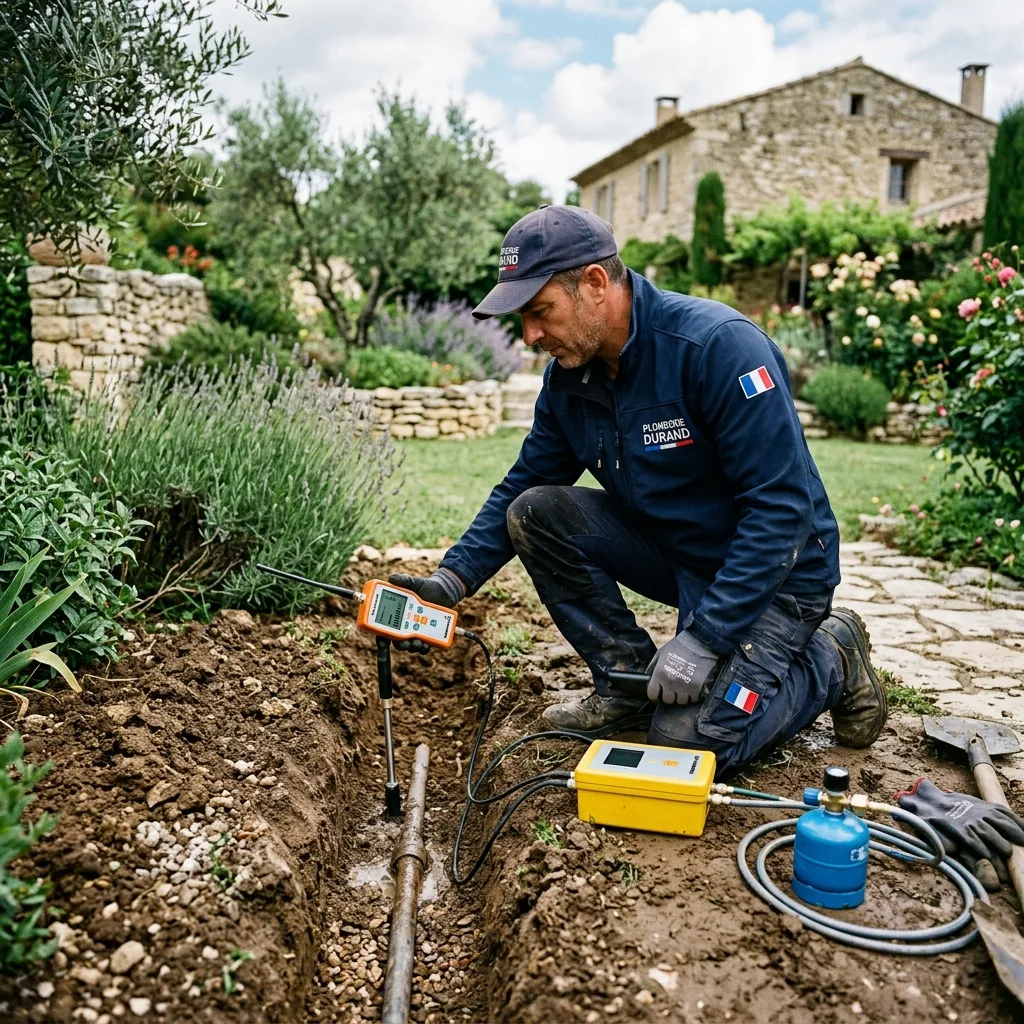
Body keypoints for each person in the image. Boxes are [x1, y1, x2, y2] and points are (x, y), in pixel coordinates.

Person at [391, 204, 886, 775]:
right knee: (536, 511)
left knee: (687, 744)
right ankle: (625, 682)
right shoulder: (570, 379)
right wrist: (450, 581)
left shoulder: (719, 349)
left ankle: (832, 655)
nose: (529, 336)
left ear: (596, 284)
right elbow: (526, 480)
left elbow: (781, 510)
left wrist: (704, 639)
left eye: (540, 311)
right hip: (681, 556)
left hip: (780, 577)